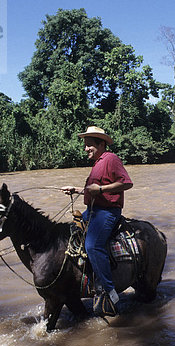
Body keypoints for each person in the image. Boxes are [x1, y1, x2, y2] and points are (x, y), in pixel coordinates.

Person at [61, 126, 133, 317]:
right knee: (70, 232)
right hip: (93, 210)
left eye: (90, 145)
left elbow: (127, 183)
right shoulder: (97, 163)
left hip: (108, 211)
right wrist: (76, 189)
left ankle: (108, 292)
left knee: (92, 245)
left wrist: (101, 190)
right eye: (85, 145)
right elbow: (93, 188)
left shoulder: (111, 159)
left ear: (102, 144)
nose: (86, 149)